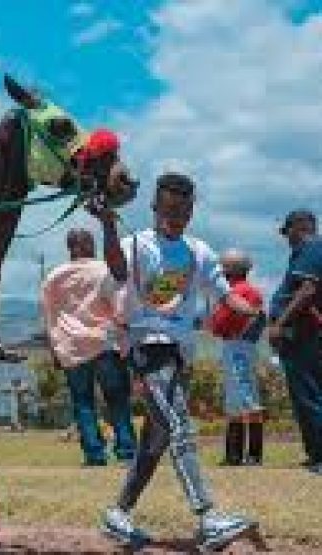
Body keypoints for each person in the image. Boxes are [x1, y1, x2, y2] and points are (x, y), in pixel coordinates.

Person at [91, 172, 261, 550]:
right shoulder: (134, 245)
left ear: (191, 212)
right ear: (154, 208)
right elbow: (117, 269)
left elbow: (223, 293)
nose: (176, 220)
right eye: (169, 211)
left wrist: (247, 308)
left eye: (183, 213)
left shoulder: (199, 252)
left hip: (179, 352)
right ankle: (208, 518)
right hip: (149, 349)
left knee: (156, 441)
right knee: (179, 426)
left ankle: (118, 515)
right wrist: (105, 225)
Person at [40, 228, 136, 466]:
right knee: (117, 399)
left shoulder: (54, 277)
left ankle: (94, 454)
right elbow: (120, 306)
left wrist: (54, 348)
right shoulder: (104, 270)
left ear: (70, 246)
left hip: (71, 347)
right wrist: (127, 334)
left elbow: (48, 316)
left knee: (82, 402)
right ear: (90, 245)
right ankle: (126, 451)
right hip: (105, 342)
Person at [268, 210, 321, 474]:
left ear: (298, 227)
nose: (286, 237)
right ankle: (315, 453)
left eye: (287, 231)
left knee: (308, 395)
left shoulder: (310, 248)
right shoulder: (310, 250)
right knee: (310, 393)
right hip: (305, 333)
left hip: (303, 334)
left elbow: (308, 290)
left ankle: (319, 456)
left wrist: (280, 323)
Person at [207, 249, 266, 465]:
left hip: (237, 345)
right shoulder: (250, 291)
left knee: (244, 397)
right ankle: (239, 454)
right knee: (238, 398)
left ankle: (246, 455)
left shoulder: (237, 291)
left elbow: (219, 322)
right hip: (240, 345)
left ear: (228, 270)